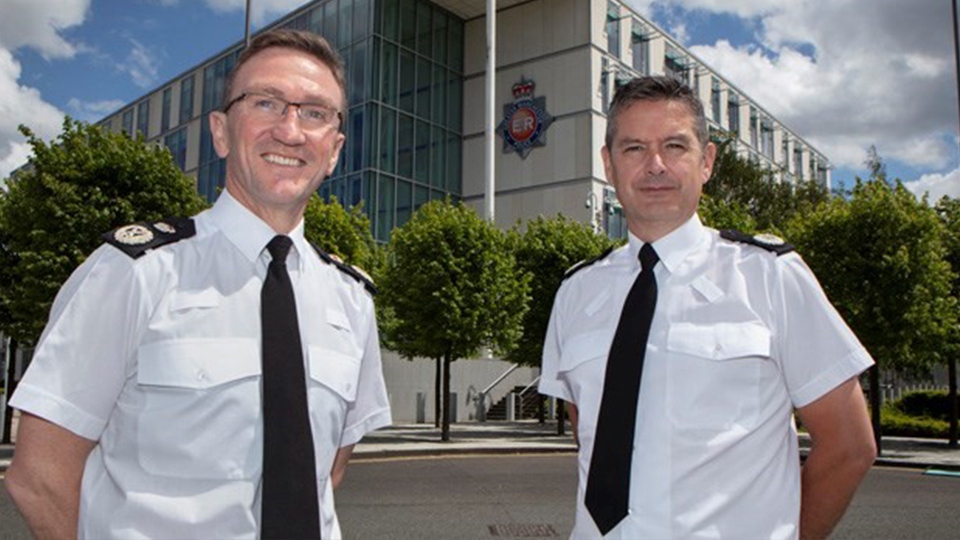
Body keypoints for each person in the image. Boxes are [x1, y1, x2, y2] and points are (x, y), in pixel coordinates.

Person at [5, 29, 391, 539]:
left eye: (315, 113)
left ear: (335, 149)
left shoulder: (352, 301)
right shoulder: (134, 273)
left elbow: (326, 473)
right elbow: (39, 476)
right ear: (221, 131)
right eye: (266, 103)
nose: (291, 130)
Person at [539, 76, 876, 540]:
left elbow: (849, 446)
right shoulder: (576, 291)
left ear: (707, 161)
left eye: (675, 146)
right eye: (634, 148)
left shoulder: (771, 275)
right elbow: (593, 438)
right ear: (609, 165)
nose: (655, 165)